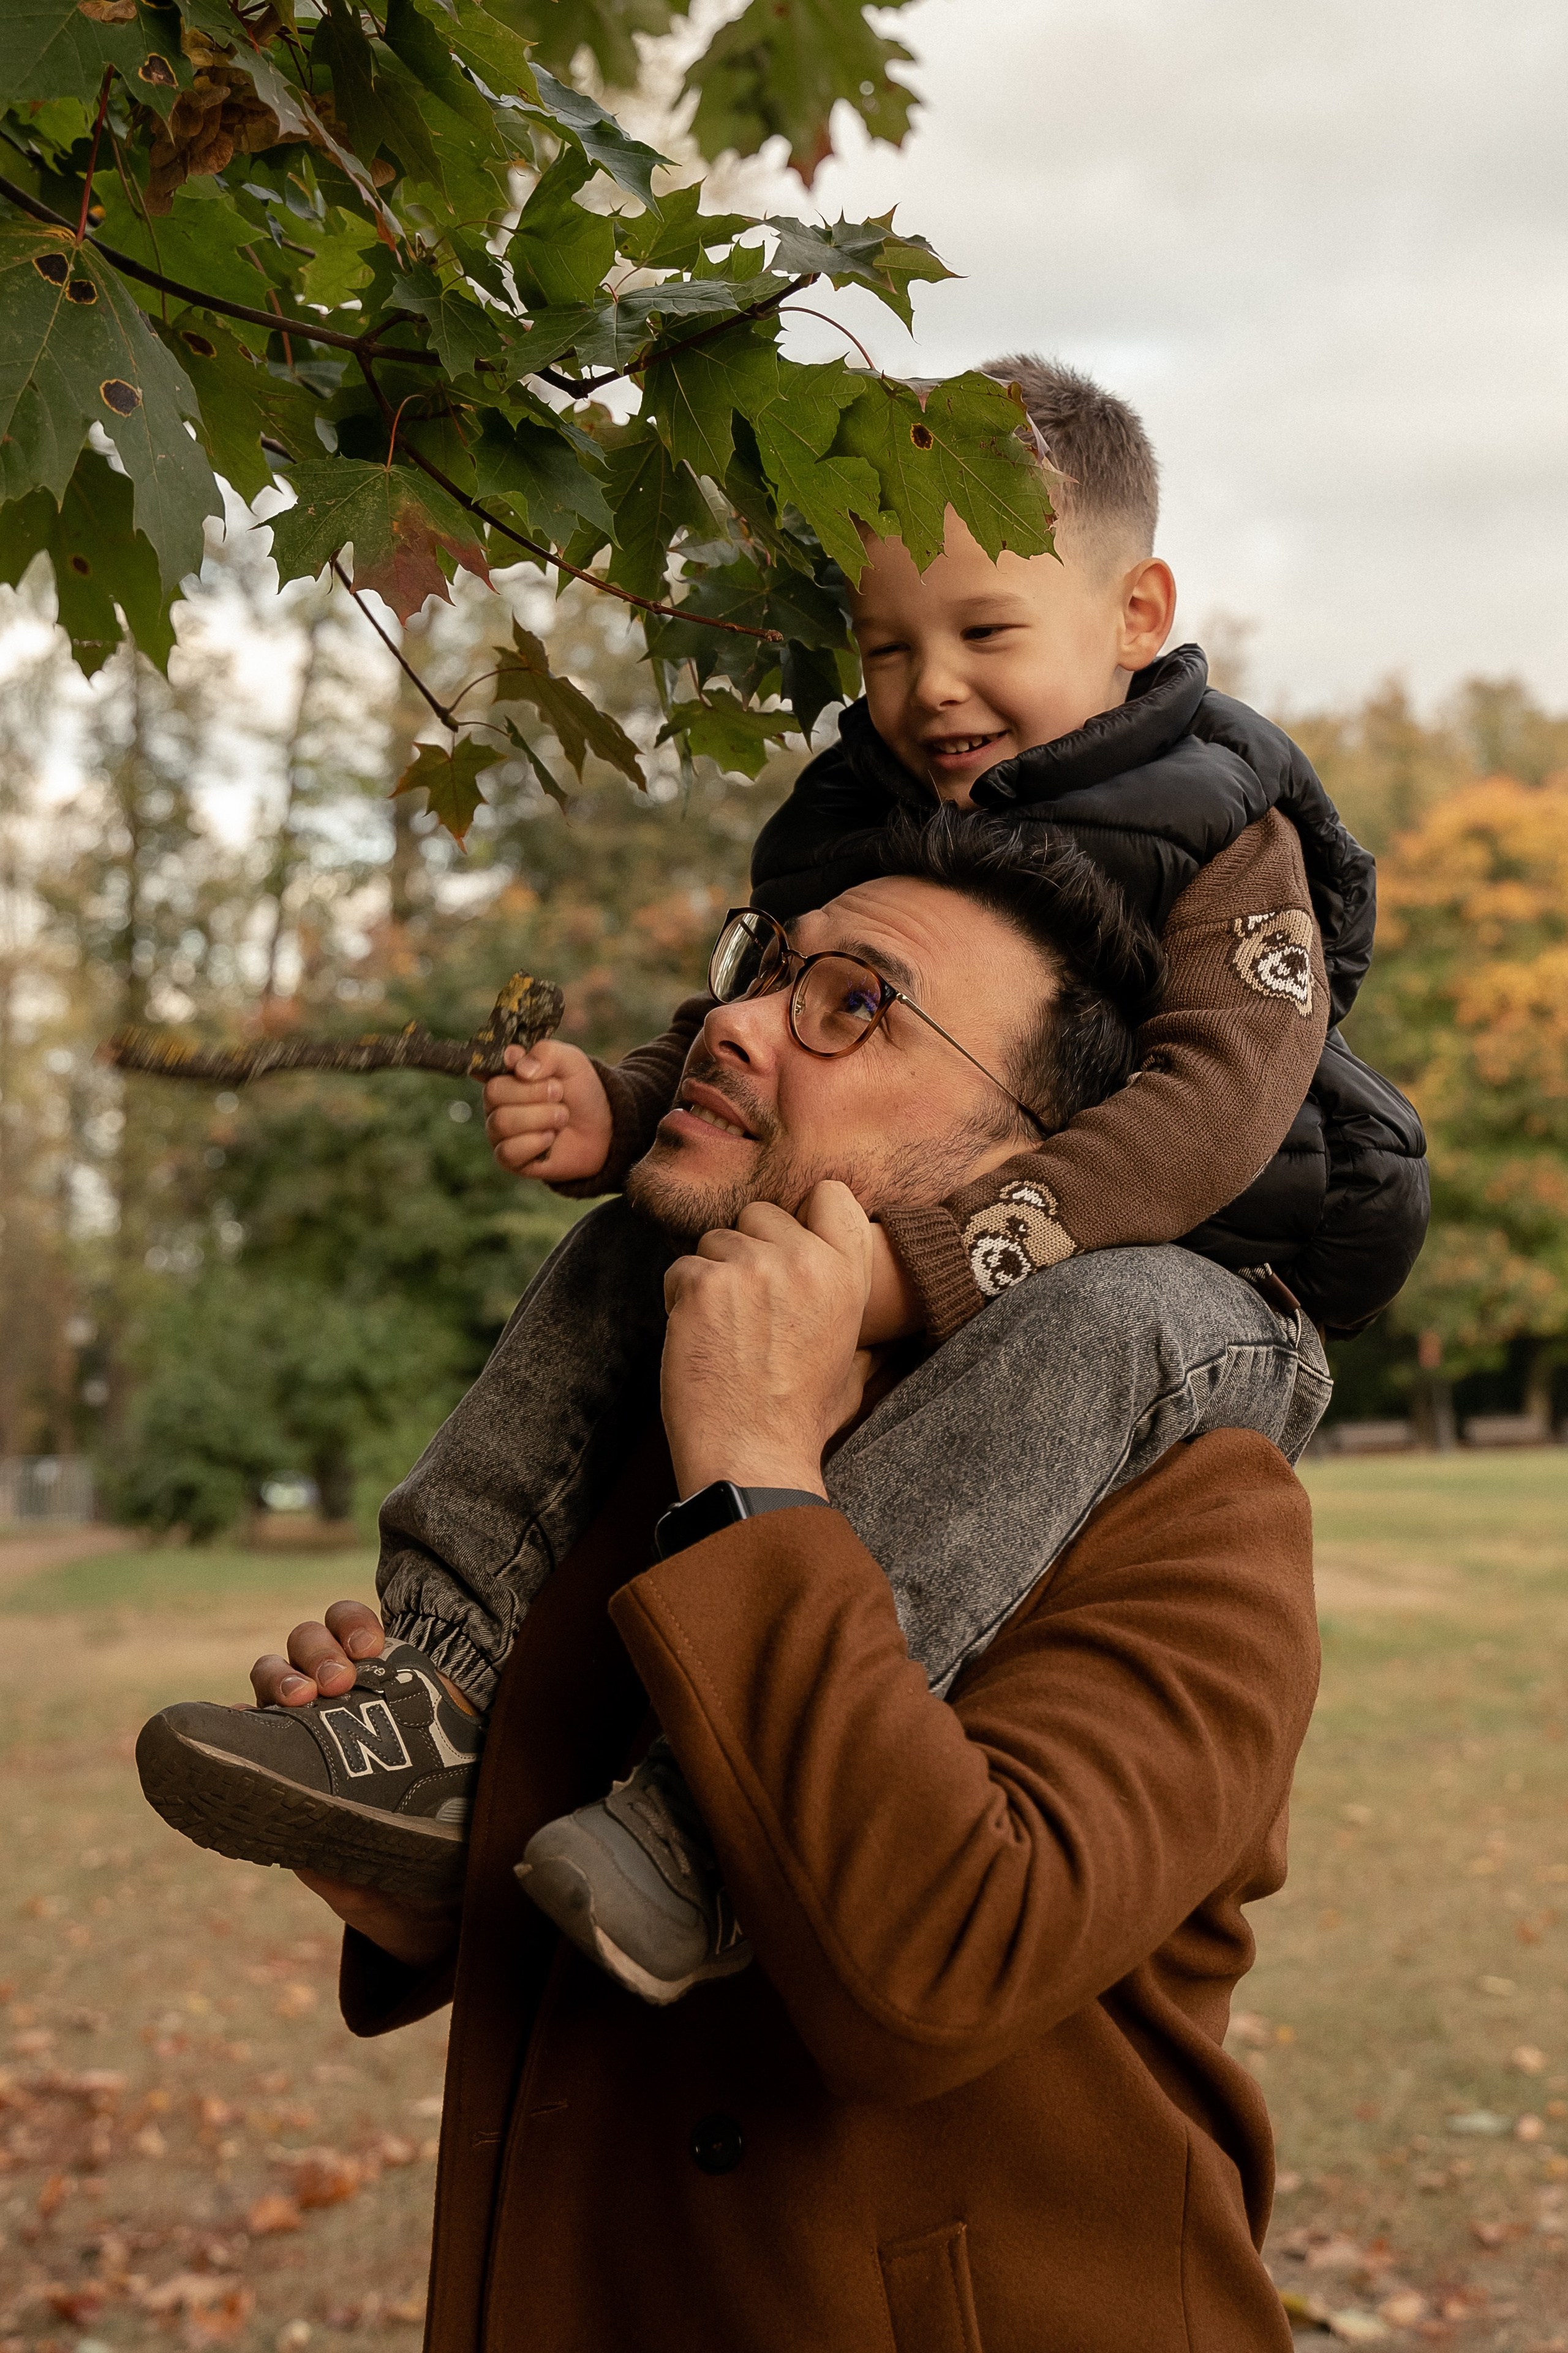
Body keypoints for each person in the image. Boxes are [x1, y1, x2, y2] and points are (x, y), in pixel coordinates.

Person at [217, 825, 1320, 2351]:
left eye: (854, 1001)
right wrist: (418, 1893)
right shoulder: (608, 1437)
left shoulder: (1194, 1505)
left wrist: (752, 1467)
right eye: (767, 968)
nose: (729, 1025)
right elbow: (596, 1948)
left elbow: (941, 1959)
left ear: (1031, 1157)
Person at [487, 355, 1425, 1351]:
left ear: (1135, 615)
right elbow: (774, 1004)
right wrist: (628, 1106)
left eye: (985, 632)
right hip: (919, 1225)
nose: (931, 685)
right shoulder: (859, 802)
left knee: (1111, 1316)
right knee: (642, 1252)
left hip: (1214, 1257)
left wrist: (919, 1272)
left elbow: (1217, 1105)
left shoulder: (1220, 821)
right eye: (887, 648)